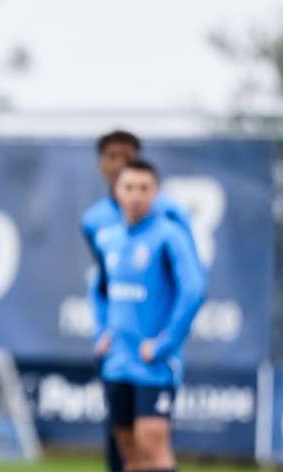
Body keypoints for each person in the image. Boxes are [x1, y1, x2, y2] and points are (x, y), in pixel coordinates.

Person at [80, 130, 193, 472]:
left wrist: (166, 340)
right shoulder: (98, 224)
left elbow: (190, 284)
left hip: (152, 356)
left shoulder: (170, 220)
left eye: (126, 157)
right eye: (111, 157)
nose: (119, 165)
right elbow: (102, 283)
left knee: (152, 443)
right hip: (118, 355)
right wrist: (103, 330)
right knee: (125, 448)